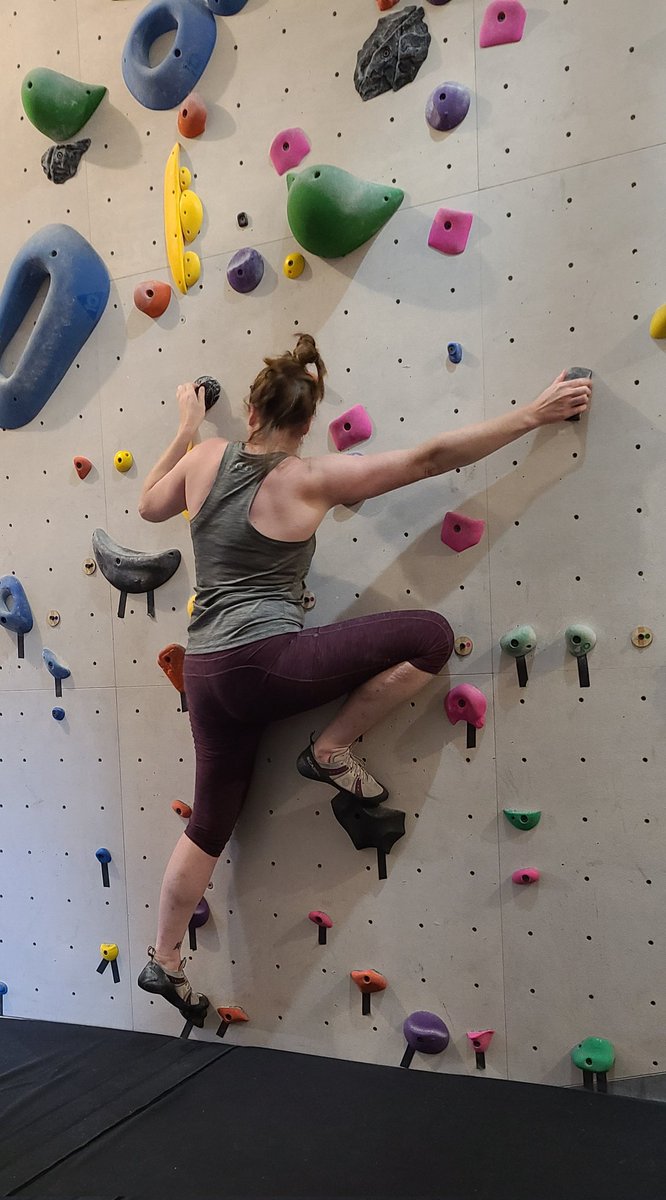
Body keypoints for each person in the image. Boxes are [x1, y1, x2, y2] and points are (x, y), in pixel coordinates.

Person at [136, 335, 592, 1023]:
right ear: (305, 425)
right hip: (265, 664)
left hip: (205, 673)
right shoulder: (313, 478)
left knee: (209, 823)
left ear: (253, 410)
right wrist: (534, 414)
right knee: (430, 637)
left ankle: (164, 958)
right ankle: (331, 748)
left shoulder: (201, 459)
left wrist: (186, 428)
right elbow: (432, 457)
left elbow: (147, 507)